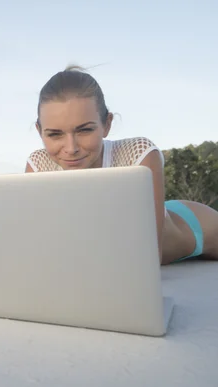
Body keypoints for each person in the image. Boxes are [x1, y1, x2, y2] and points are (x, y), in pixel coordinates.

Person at [25, 65, 218, 265]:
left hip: (196, 227)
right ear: (40, 132)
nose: (71, 147)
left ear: (107, 124)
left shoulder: (138, 155)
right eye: (55, 134)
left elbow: (148, 255)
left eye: (84, 130)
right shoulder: (38, 167)